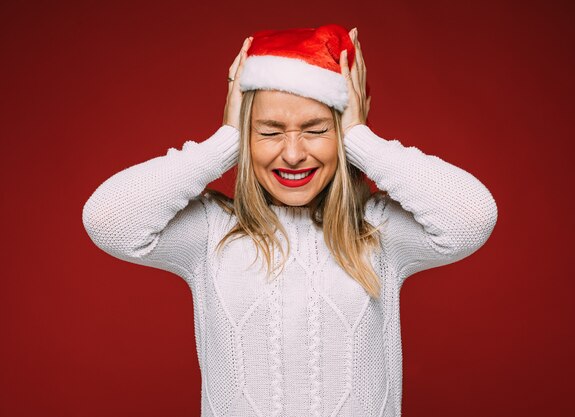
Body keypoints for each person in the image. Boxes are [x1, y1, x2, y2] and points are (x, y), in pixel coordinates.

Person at [82, 24, 498, 417]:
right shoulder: (211, 233)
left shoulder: (378, 233)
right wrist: (226, 140)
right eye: (269, 131)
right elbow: (110, 220)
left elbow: (470, 217)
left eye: (317, 129)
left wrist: (359, 137)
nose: (294, 154)